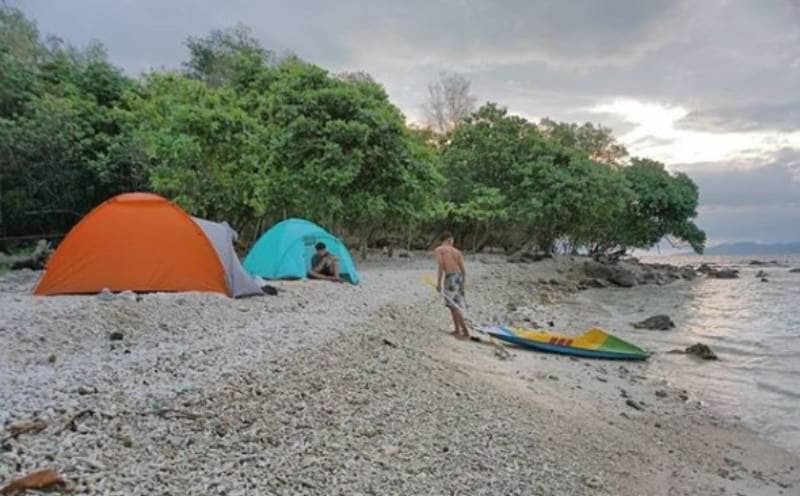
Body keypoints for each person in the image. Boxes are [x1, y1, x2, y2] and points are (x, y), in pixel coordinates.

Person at [435, 232, 469, 339]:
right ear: (450, 240)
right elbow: (464, 271)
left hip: (450, 278)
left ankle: (465, 331)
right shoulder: (457, 252)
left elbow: (441, 267)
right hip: (458, 277)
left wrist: (439, 283)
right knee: (454, 305)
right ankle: (457, 330)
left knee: (454, 306)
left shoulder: (440, 250)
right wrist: (463, 285)